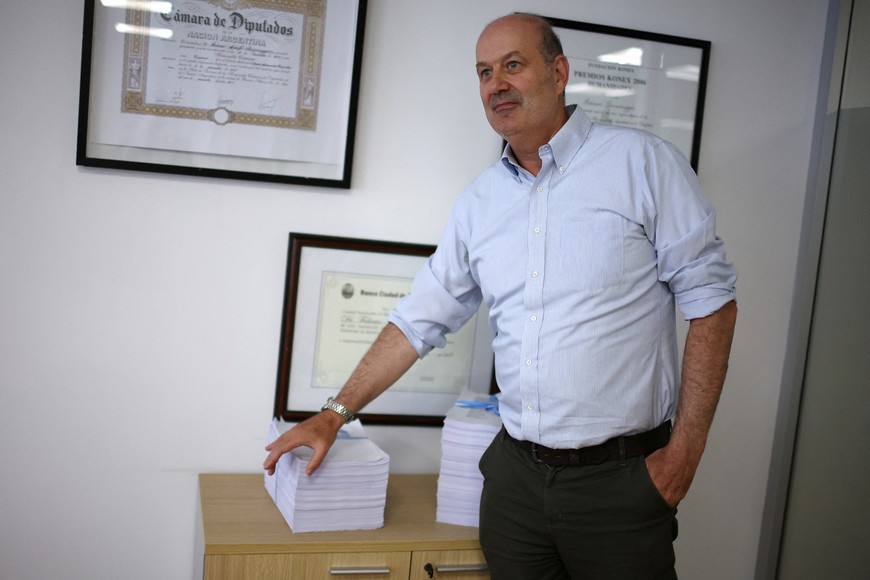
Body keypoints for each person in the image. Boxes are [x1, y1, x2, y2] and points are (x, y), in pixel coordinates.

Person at [264, 12, 737, 579]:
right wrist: (334, 415)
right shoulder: (480, 203)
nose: (496, 84)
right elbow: (418, 321)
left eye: (513, 64)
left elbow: (712, 303)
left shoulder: (642, 163)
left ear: (558, 72)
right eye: (485, 72)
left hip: (620, 484)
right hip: (516, 484)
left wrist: (683, 456)